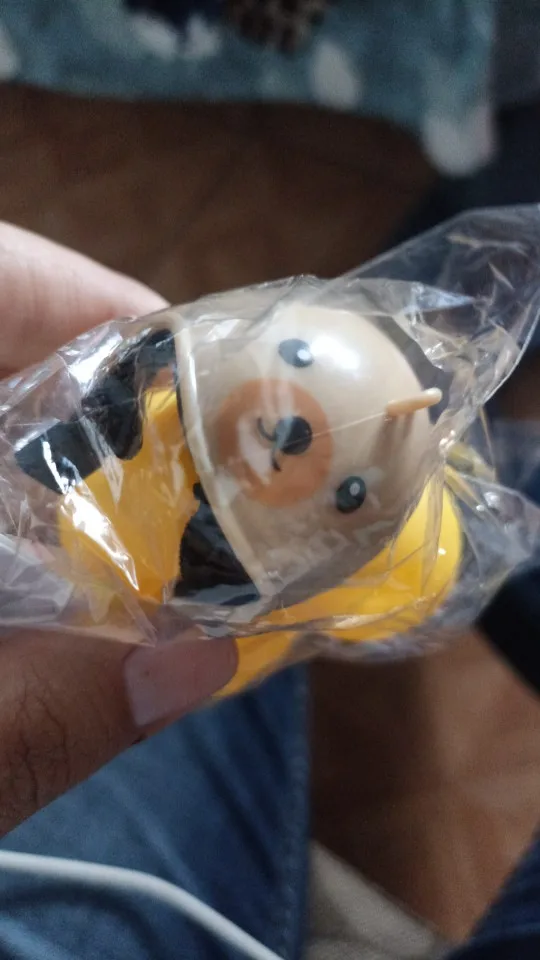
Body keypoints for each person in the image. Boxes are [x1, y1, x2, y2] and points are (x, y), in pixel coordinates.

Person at [0, 221, 537, 960]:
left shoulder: (304, 569)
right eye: (296, 357)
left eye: (351, 493)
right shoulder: (151, 400)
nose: (288, 437)